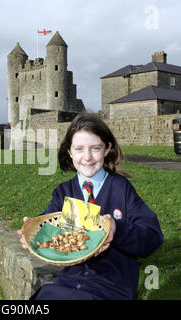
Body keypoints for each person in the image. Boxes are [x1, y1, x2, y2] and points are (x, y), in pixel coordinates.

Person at [18, 112, 163, 300]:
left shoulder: (120, 189)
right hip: (67, 284)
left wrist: (117, 230)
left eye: (95, 148)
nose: (87, 157)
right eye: (79, 149)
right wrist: (32, 234)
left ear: (107, 149)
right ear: (69, 152)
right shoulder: (63, 193)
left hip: (111, 288)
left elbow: (153, 236)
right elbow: (49, 226)